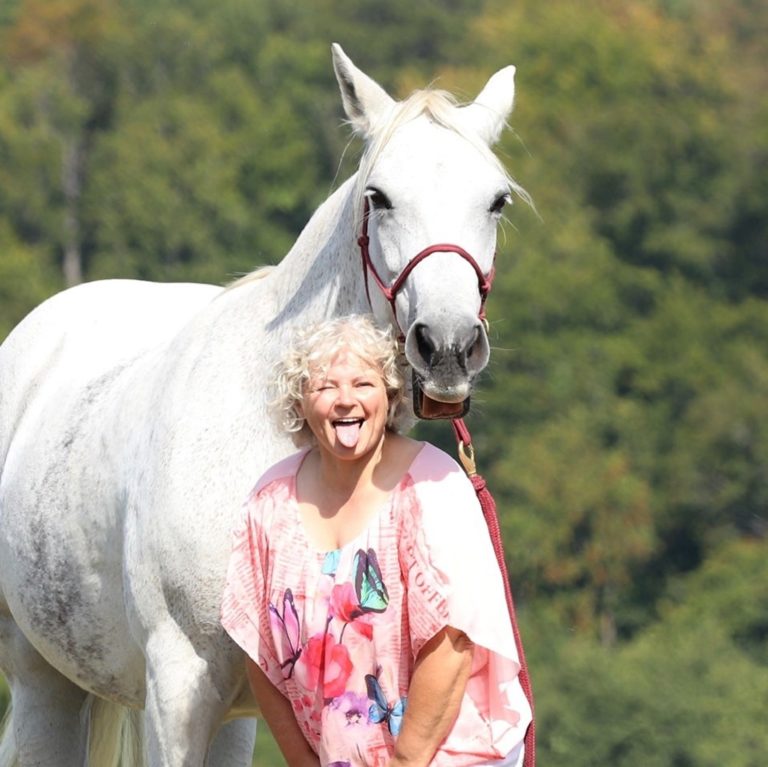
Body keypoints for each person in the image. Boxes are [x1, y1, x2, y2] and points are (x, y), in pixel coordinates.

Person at [221, 315, 531, 767]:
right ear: (300, 402)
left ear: (389, 395)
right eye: (325, 387)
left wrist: (405, 763)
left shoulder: (432, 486)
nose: (346, 401)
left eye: (363, 384)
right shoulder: (270, 500)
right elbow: (259, 647)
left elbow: (453, 644)